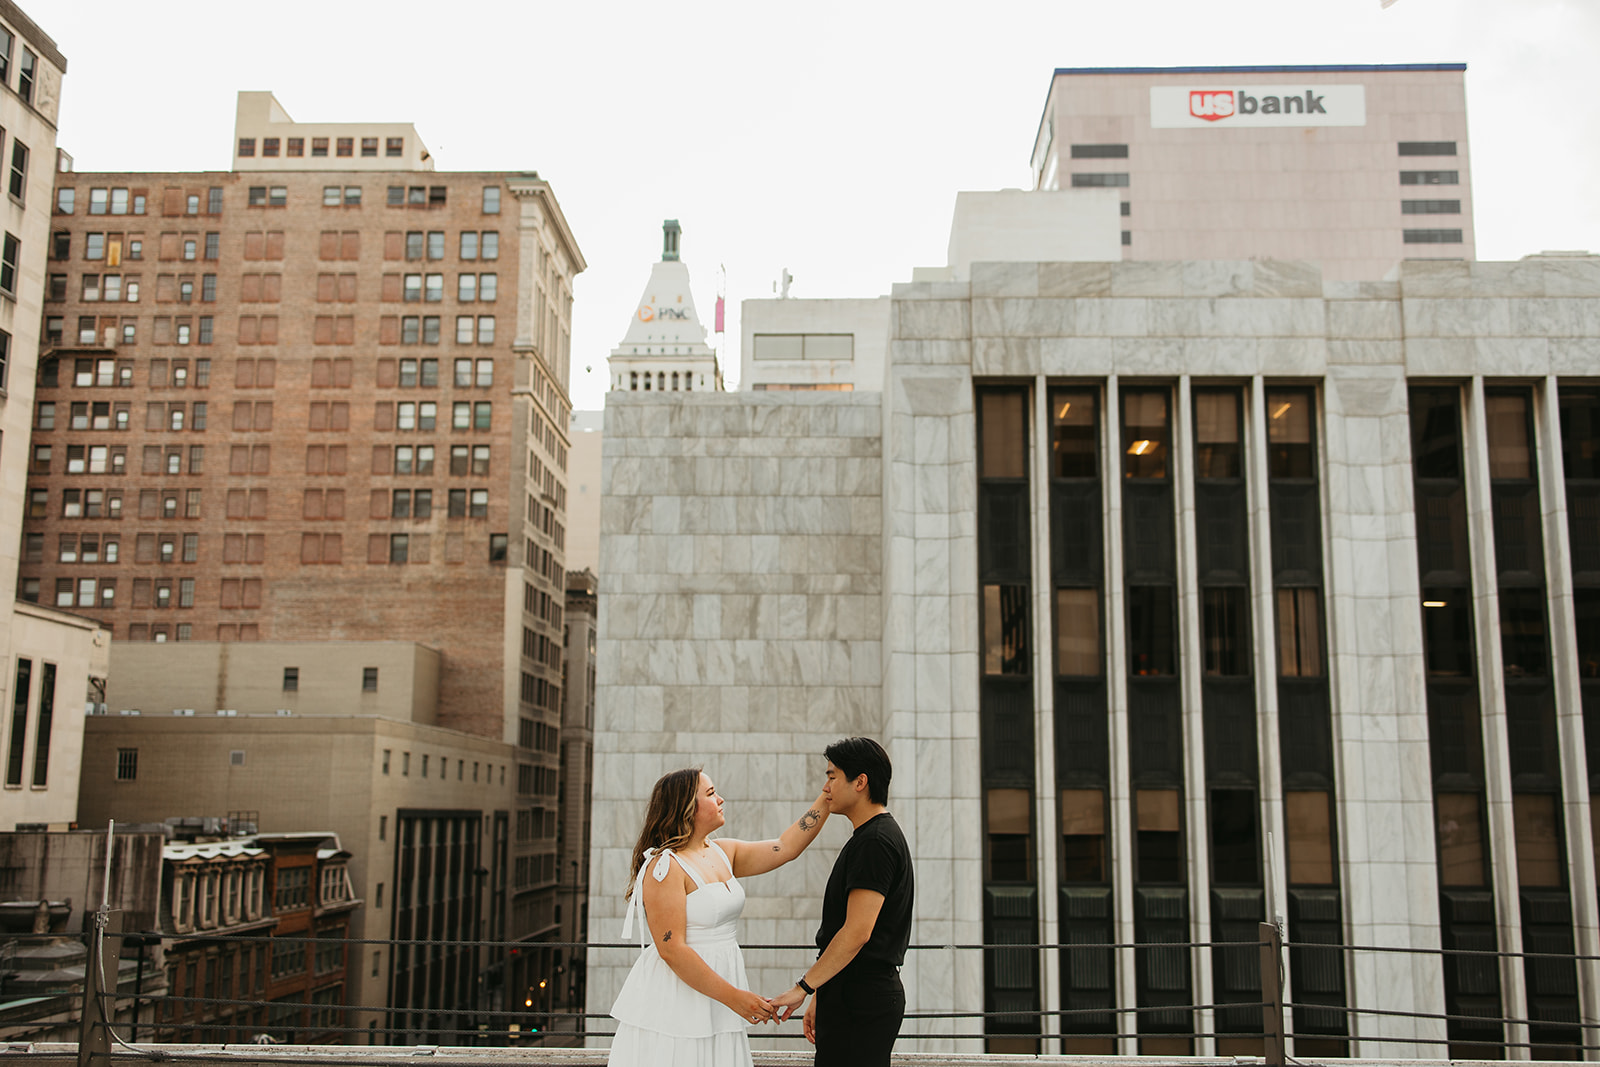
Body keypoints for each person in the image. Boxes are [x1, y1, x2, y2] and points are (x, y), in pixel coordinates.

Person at [609, 766, 830, 1067]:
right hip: (679, 999)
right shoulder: (665, 867)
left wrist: (827, 796)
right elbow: (671, 949)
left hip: (721, 993)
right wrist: (735, 998)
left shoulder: (722, 851)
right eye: (711, 794)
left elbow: (786, 847)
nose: (721, 799)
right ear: (686, 807)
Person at [770, 737, 914, 1067]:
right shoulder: (870, 837)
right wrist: (822, 991)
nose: (826, 787)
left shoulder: (875, 842)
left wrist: (803, 987)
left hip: (863, 998)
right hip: (853, 993)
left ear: (860, 782)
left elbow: (857, 932)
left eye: (832, 776)